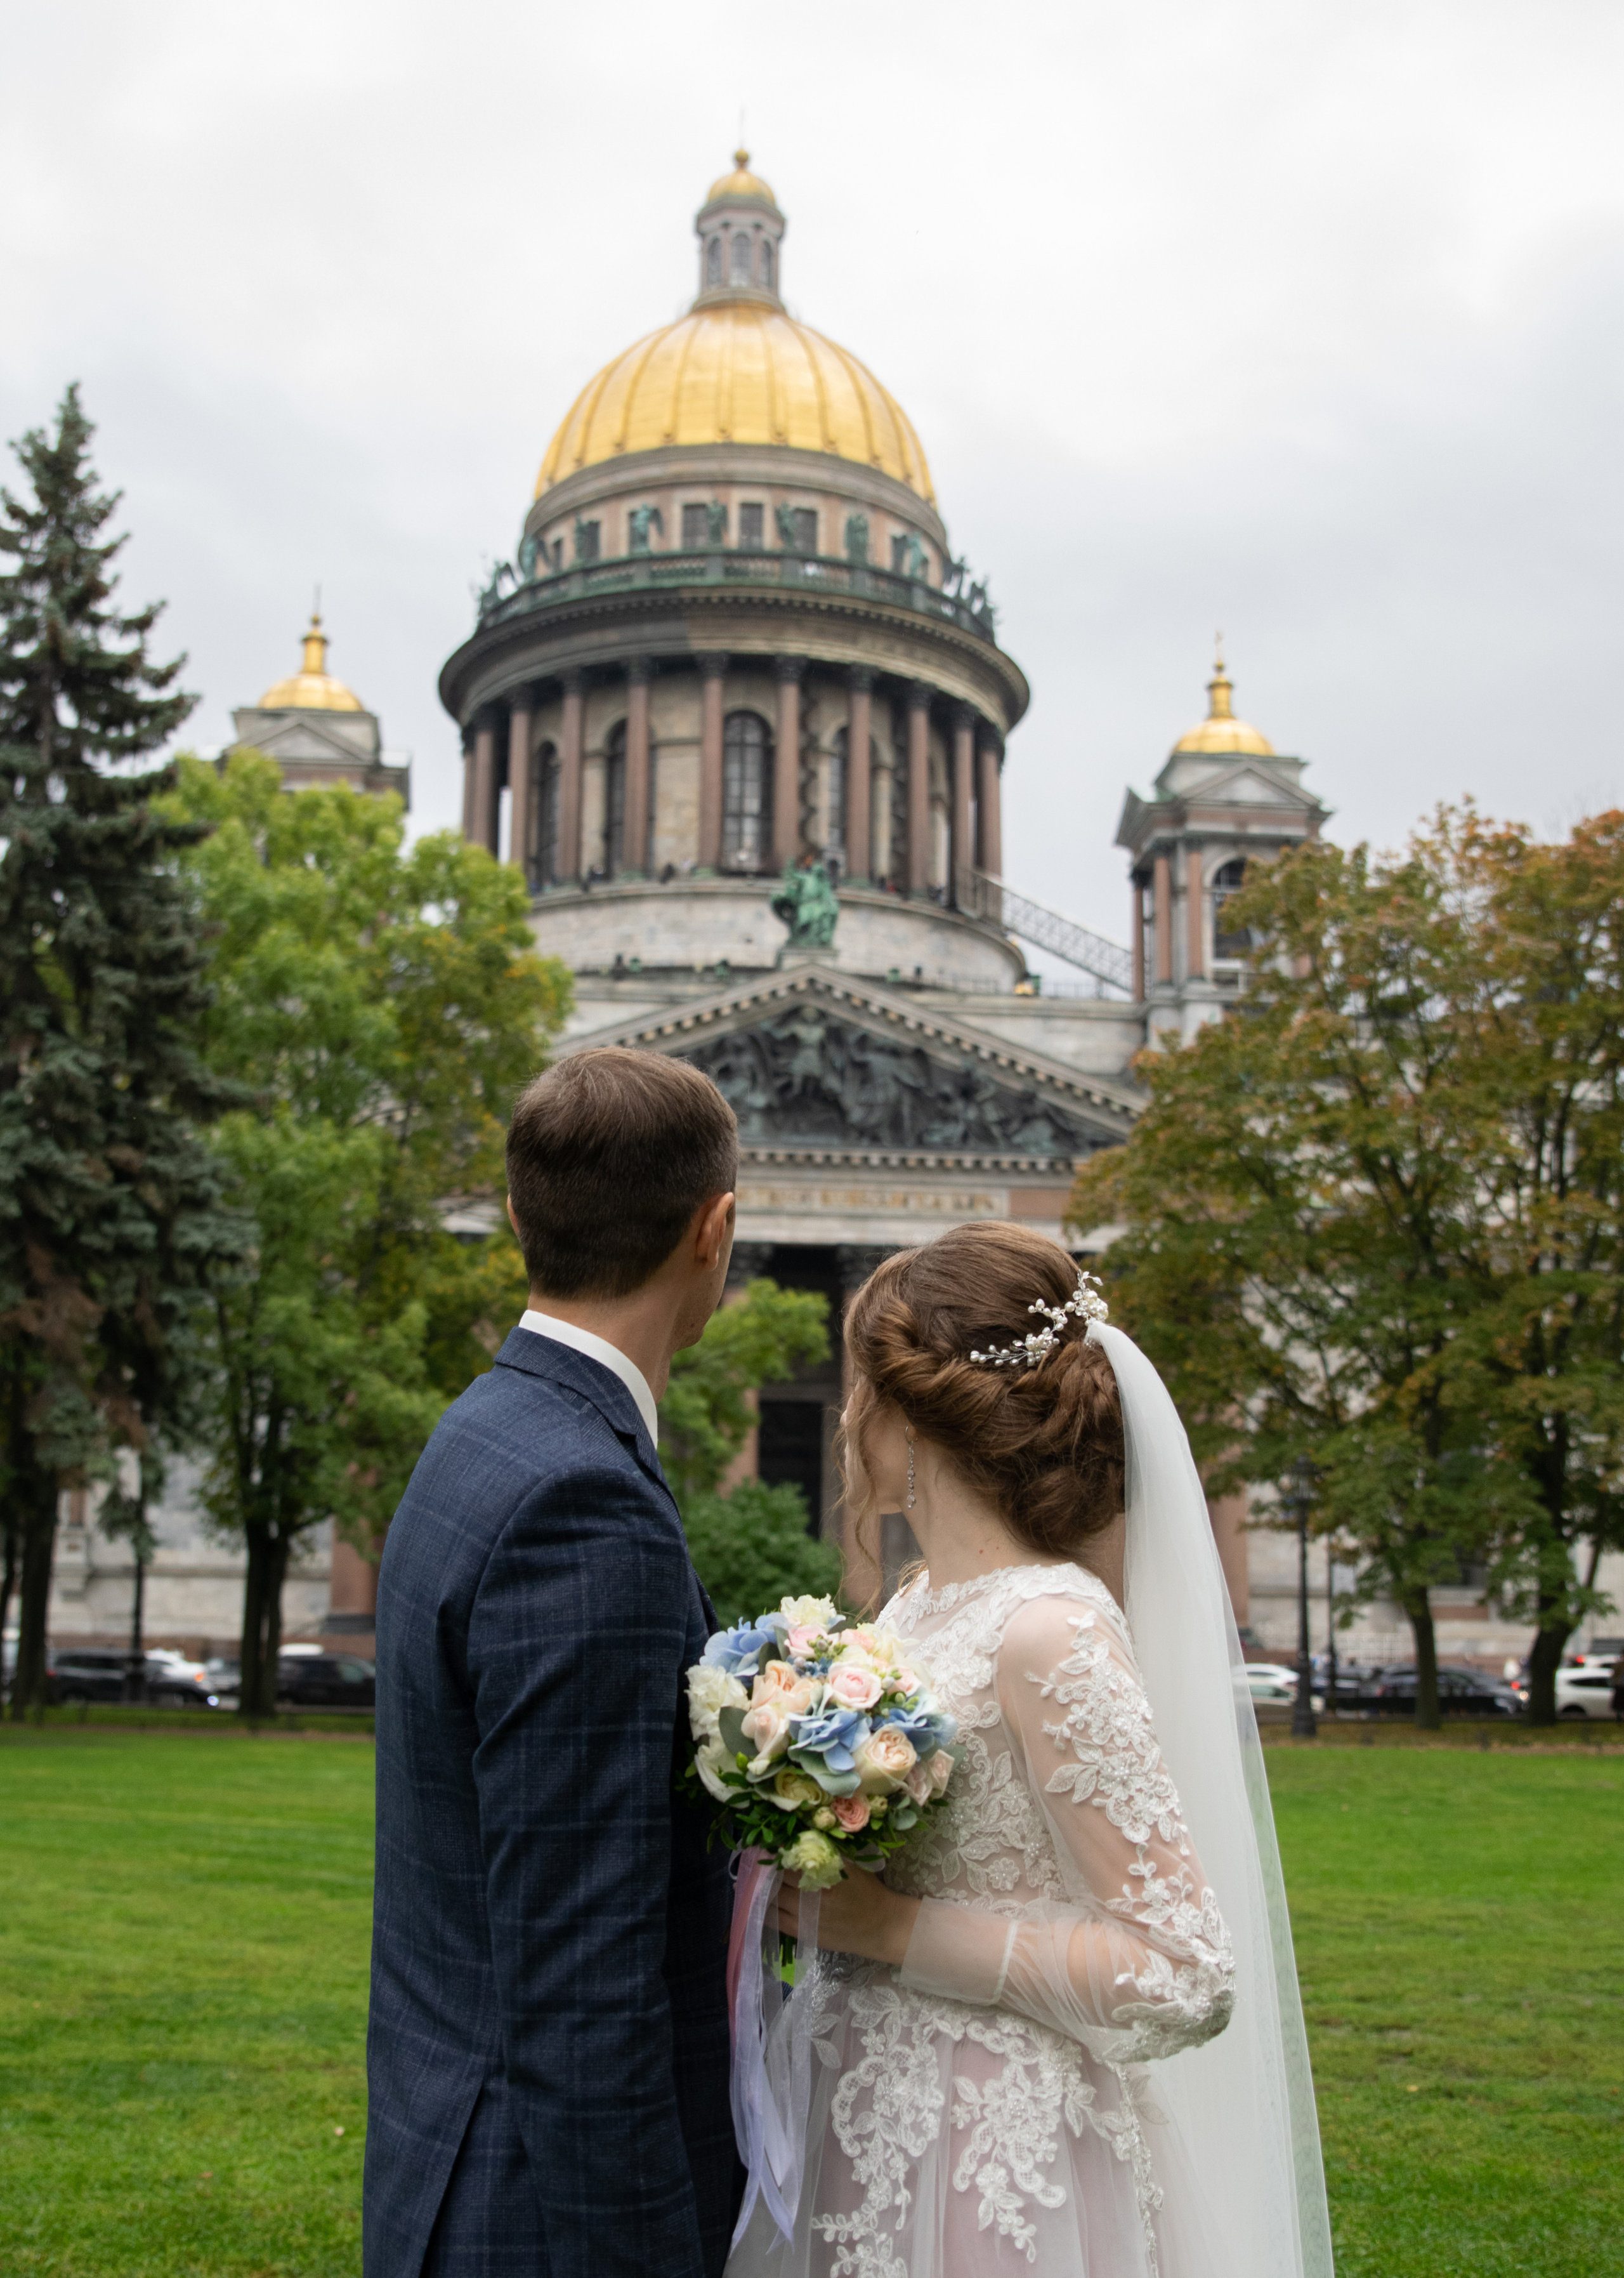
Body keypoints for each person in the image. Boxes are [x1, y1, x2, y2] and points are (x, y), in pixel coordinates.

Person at [726, 1223, 1333, 2278]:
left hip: (993, 2150)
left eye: (860, 1390)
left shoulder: (1051, 1626)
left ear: (910, 1415)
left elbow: (1183, 1970)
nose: (845, 1421)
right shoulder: (917, 1606)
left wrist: (898, 1929)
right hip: (861, 2107)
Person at [365, 1048, 742, 2278]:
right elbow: (585, 1993)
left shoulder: (484, 1432)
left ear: (519, 1217)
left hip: (460, 2163)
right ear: (715, 1229)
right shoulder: (581, 1505)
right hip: (541, 2218)